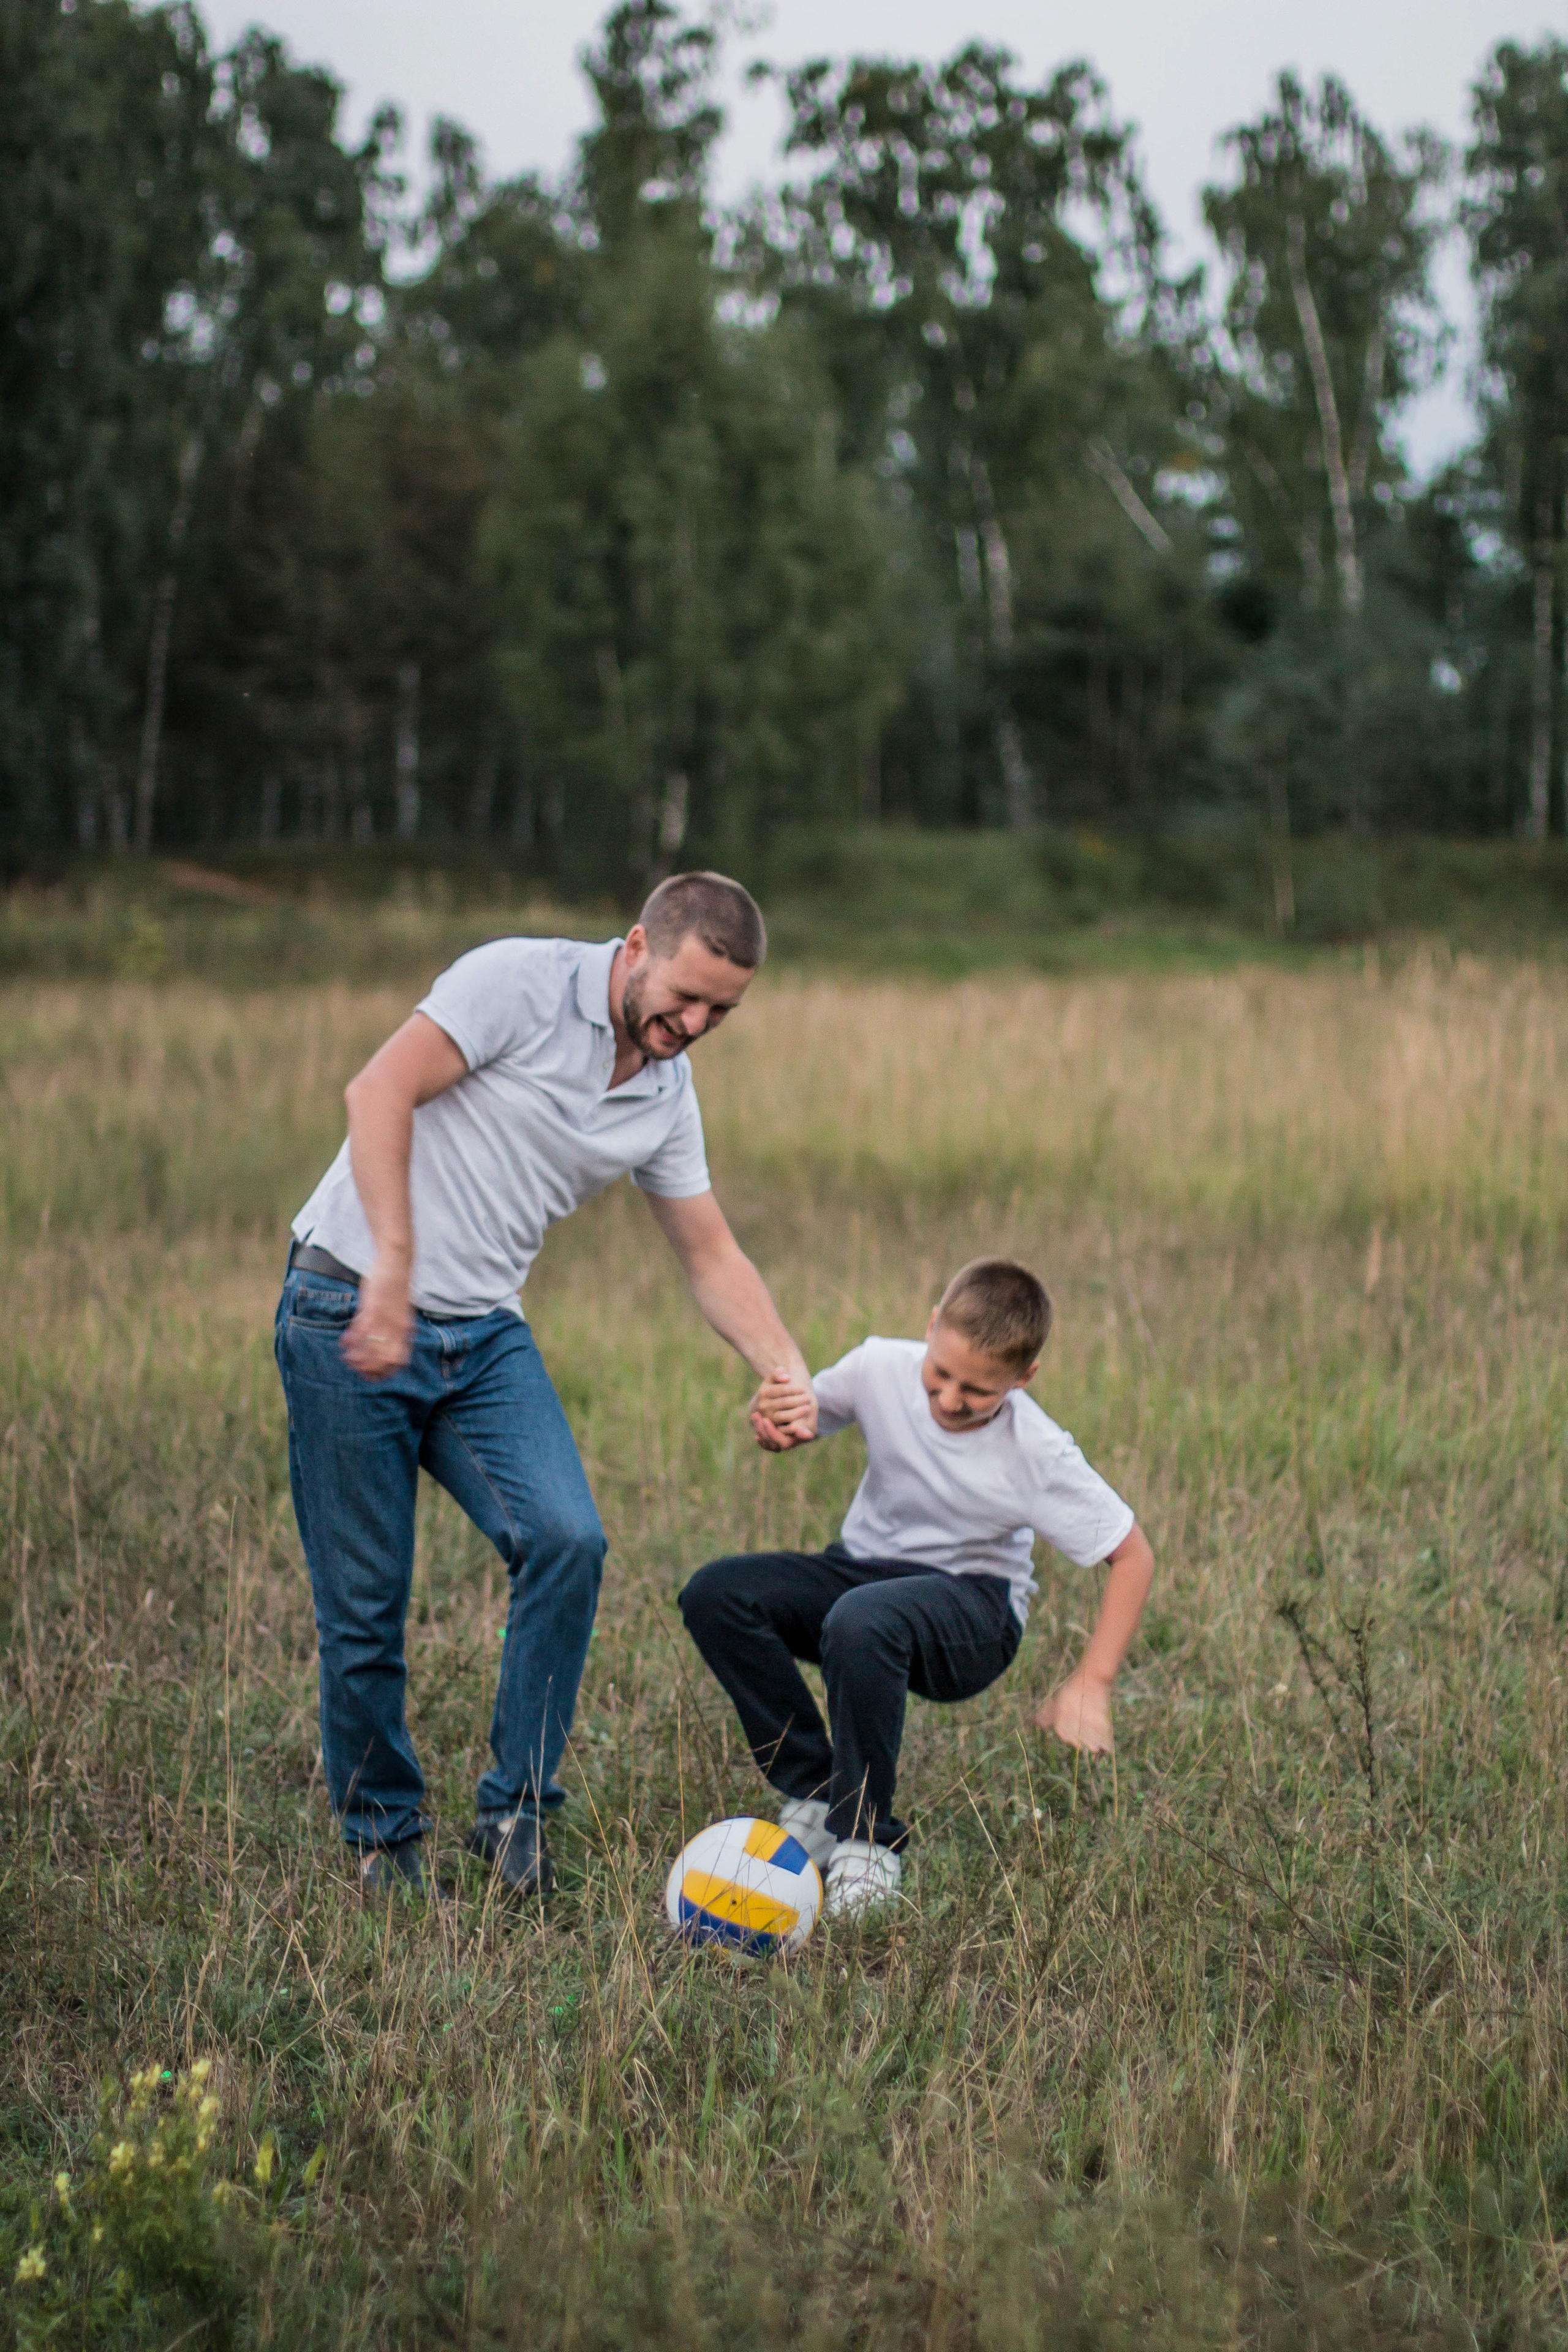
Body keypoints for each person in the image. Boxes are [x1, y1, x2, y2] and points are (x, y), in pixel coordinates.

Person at [276, 872, 815, 1902]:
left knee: (568, 1540)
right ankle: (384, 1840)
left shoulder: (664, 1094)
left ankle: (515, 1814)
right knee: (367, 1604)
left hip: (481, 1336)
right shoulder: (517, 982)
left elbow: (710, 1253)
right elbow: (377, 1092)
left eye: (721, 1012)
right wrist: (392, 1266)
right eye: (685, 997)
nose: (694, 1026)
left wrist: (783, 1366)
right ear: (637, 946)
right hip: (347, 1304)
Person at [678, 1256, 1153, 1918]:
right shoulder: (879, 1366)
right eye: (941, 1373)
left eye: (979, 1390)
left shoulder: (1039, 1451)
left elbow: (1133, 1555)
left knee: (863, 1619)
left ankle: (867, 1841)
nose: (951, 1399)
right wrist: (777, 1426)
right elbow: (805, 1412)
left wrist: (1092, 1682)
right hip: (861, 1573)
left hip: (972, 1611)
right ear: (930, 1328)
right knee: (716, 1594)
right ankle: (817, 1793)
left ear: (1023, 1377)